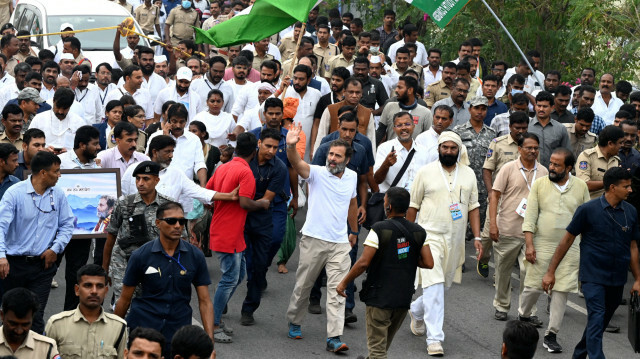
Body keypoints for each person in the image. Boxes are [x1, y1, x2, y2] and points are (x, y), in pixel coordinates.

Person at [542, 167, 640, 358]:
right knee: (596, 316)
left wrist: (637, 279)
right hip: (592, 276)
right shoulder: (588, 210)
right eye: (626, 186)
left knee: (600, 323)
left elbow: (633, 247)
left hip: (617, 278)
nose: (630, 190)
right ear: (612, 187)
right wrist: (550, 271)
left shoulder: (631, 212)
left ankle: (579, 355)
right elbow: (567, 240)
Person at [407, 132, 482, 357]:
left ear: (459, 150)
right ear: (438, 148)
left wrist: (477, 238)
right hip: (429, 237)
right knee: (435, 286)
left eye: (452, 148)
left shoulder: (468, 174)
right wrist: (407, 237)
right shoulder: (425, 172)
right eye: (445, 147)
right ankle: (435, 339)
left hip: (456, 238)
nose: (448, 151)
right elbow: (413, 206)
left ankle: (416, 310)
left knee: (443, 286)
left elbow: (474, 207)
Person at [285, 124, 358, 353]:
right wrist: (290, 145)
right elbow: (297, 163)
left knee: (338, 290)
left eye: (337, 155)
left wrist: (354, 231)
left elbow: (353, 204)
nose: (333, 159)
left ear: (347, 159)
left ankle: (334, 337)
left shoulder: (352, 177)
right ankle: (295, 320)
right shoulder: (316, 173)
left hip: (339, 243)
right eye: (330, 155)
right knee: (303, 286)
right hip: (313, 239)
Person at [336, 186, 433, 359]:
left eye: (385, 202)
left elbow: (363, 262)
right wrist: (406, 258)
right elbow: (428, 262)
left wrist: (344, 283)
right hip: (403, 299)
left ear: (388, 207)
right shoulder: (419, 232)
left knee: (377, 351)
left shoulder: (379, 229)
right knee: (381, 347)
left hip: (379, 298)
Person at [115, 201, 213, 354]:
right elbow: (124, 299)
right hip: (144, 330)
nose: (177, 225)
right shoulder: (141, 256)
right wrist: (113, 335)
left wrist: (210, 342)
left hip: (177, 332)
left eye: (182, 221)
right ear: (158, 223)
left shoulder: (195, 256)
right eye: (171, 221)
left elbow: (205, 301)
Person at [519, 148, 590, 353]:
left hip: (570, 249)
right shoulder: (540, 184)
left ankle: (551, 335)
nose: (551, 167)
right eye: (550, 163)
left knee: (561, 291)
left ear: (569, 167)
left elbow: (586, 219)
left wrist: (585, 249)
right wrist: (530, 245)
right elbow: (530, 217)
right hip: (541, 246)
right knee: (532, 287)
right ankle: (523, 317)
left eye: (557, 165)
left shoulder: (581, 186)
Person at [0, 152, 74, 334]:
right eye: (56, 171)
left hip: (42, 266)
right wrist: (1, 257)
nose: (59, 175)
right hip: (12, 266)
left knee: (35, 316)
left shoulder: (58, 195)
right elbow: (0, 226)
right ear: (43, 172)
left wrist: (55, 249)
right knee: (10, 315)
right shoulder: (15, 193)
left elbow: (67, 225)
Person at [206, 132, 269, 344]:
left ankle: (215, 317)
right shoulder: (245, 172)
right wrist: (261, 203)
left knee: (238, 275)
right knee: (230, 278)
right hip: (229, 234)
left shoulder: (223, 167)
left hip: (227, 231)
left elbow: (207, 194)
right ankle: (213, 324)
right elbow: (244, 203)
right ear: (255, 150)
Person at [490, 133, 548, 321]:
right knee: (503, 271)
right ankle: (501, 305)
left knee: (528, 272)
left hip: (533, 232)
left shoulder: (544, 172)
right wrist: (493, 223)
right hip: (508, 227)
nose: (533, 151)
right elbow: (495, 196)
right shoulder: (508, 168)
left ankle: (527, 311)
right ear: (519, 149)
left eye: (536, 148)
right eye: (529, 148)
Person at [103, 161, 174, 303]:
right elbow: (111, 236)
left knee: (152, 306)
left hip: (155, 264)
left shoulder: (168, 206)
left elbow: (179, 239)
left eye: (146, 179)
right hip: (123, 263)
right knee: (124, 305)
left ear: (156, 180)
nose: (140, 183)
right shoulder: (124, 203)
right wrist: (105, 270)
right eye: (138, 179)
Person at [240, 129, 288, 326]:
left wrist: (243, 200)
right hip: (240, 218)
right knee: (239, 264)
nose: (271, 151)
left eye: (276, 148)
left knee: (258, 266)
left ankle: (249, 308)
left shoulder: (279, 167)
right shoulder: (245, 162)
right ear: (259, 143)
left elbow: (267, 201)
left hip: (262, 220)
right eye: (268, 146)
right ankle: (222, 300)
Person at [478, 111, 529, 275]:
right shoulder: (497, 143)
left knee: (511, 236)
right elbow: (487, 169)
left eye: (524, 128)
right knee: (487, 236)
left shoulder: (531, 146)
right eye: (517, 128)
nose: (521, 131)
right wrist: (491, 193)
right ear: (510, 127)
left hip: (520, 200)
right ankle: (484, 259)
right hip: (498, 198)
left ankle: (501, 275)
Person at [45, 264, 128, 358]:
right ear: (77, 290)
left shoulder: (118, 327)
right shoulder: (56, 324)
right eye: (88, 285)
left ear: (106, 292)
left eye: (99, 286)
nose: (94, 291)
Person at [147, 104, 207, 185]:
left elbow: (199, 164)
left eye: (182, 122)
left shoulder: (194, 139)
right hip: (161, 185)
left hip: (186, 189)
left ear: (186, 121)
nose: (178, 125)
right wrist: (165, 137)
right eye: (174, 121)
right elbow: (148, 159)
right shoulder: (155, 136)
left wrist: (203, 187)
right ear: (168, 120)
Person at [0, 288, 59, 358]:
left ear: (32, 317)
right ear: (2, 315)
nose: (19, 331)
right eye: (13, 324)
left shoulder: (47, 348)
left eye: (25, 325)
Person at [377, 76, 432, 143]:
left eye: (400, 88)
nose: (396, 90)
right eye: (397, 87)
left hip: (415, 152)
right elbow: (380, 131)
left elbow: (428, 137)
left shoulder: (426, 113)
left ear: (410, 90)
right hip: (392, 151)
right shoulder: (389, 106)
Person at [576, 125, 624, 199]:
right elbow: (584, 185)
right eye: (620, 143)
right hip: (589, 205)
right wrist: (612, 181)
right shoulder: (587, 156)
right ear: (610, 143)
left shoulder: (616, 160)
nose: (622, 146)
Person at [527, 91, 570, 168]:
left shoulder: (560, 128)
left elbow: (566, 153)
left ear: (552, 108)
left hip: (553, 172)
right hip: (530, 171)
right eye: (539, 106)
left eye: (545, 106)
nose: (541, 109)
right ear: (535, 106)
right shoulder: (527, 126)